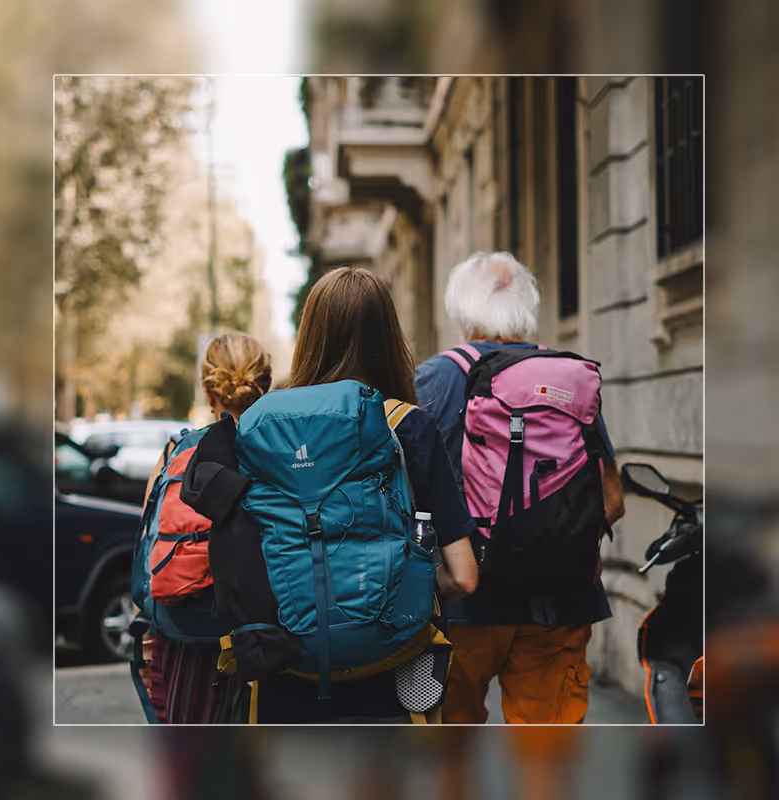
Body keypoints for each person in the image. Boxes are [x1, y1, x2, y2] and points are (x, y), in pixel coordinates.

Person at [253, 265, 478, 723]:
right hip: (392, 676)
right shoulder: (408, 426)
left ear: (311, 336)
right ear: (388, 335)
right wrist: (406, 596)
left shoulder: (264, 428)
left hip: (288, 671)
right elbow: (465, 576)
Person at [415, 251, 625, 725]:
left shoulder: (434, 380)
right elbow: (611, 502)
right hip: (561, 605)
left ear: (460, 310)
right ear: (527, 307)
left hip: (462, 606)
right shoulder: (568, 381)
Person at [139, 331, 272, 724]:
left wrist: (145, 633)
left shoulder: (175, 452)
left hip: (185, 630)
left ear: (209, 392)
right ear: (263, 385)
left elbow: (148, 543)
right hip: (266, 631)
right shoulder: (282, 450)